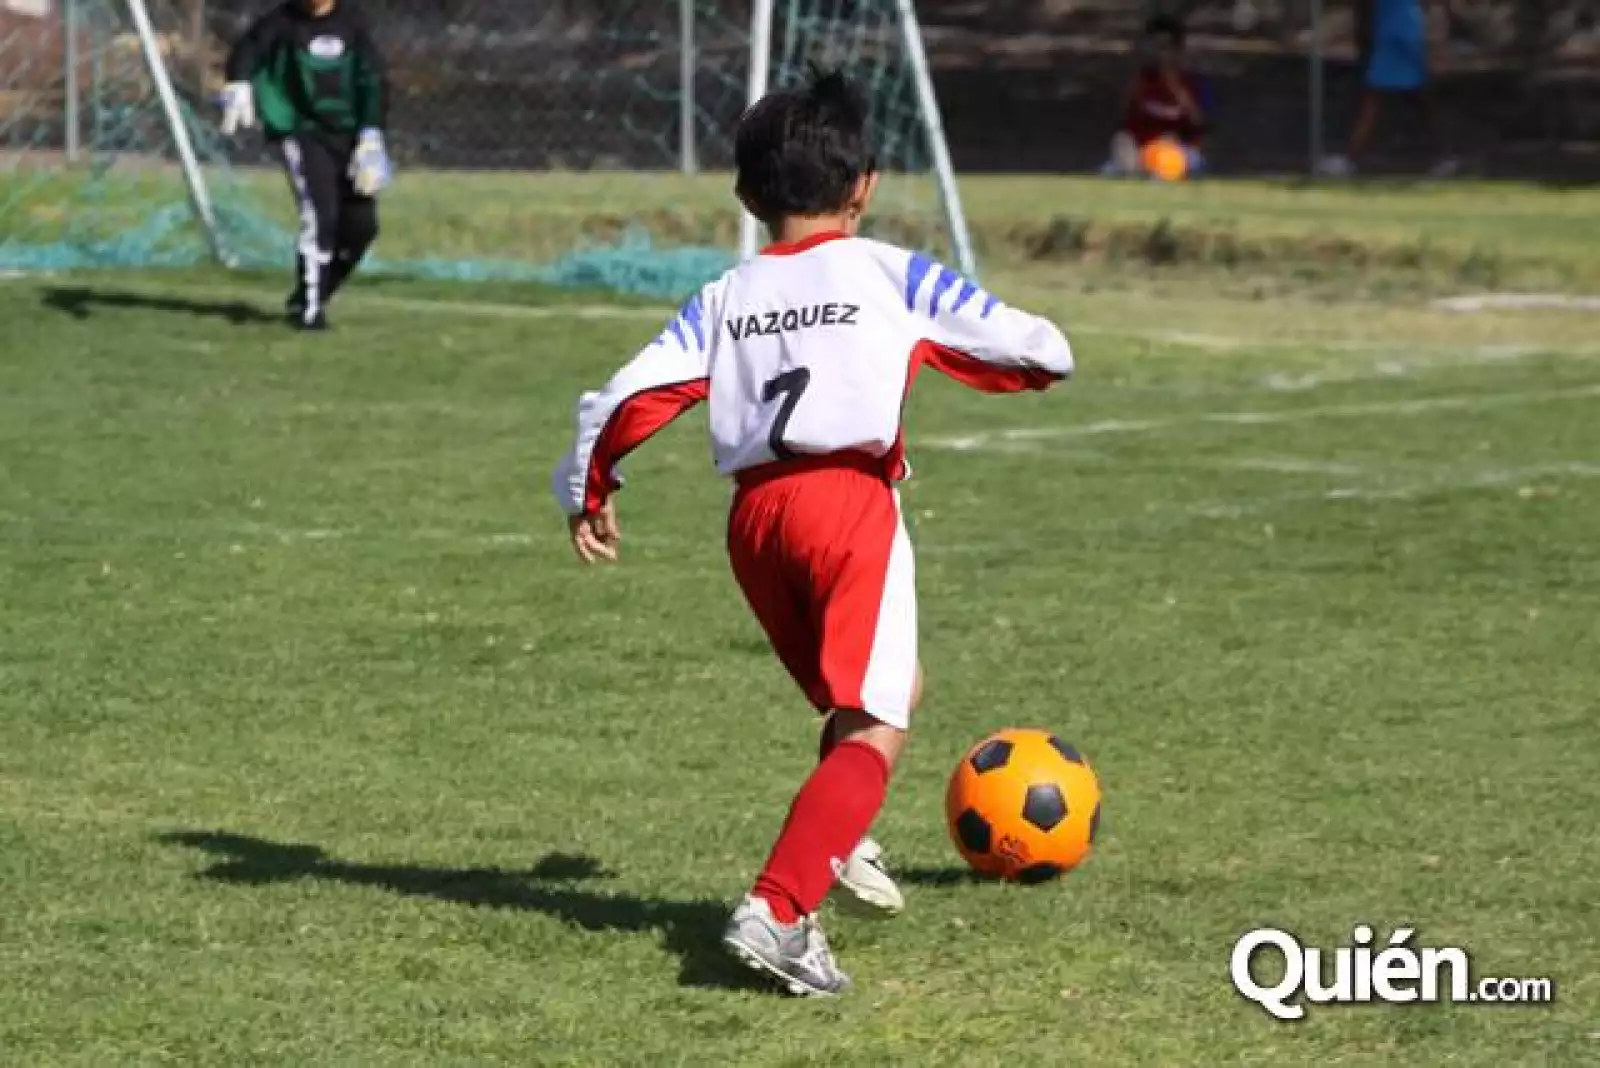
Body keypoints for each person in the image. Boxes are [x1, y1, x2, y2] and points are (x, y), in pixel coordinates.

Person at [550, 69, 1074, 997]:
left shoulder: (727, 293)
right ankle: (781, 909)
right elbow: (1034, 347)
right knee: (874, 721)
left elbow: (627, 394)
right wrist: (1011, 352)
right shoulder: (889, 271)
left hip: (756, 524)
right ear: (865, 185)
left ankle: (836, 838)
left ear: (748, 197)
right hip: (847, 507)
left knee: (885, 687)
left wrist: (589, 486)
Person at [220, 0, 393, 330]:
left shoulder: (354, 23)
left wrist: (372, 135)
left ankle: (312, 291)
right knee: (320, 213)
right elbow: (248, 50)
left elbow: (372, 78)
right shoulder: (281, 22)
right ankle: (310, 311)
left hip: (349, 134)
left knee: (361, 227)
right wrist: (238, 82)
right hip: (302, 131)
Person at [1319, 0, 1458, 176]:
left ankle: (1349, 159)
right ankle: (1445, 156)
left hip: (1398, 37)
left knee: (1383, 100)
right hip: (1393, 36)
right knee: (1416, 103)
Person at [1103, 15, 1211, 178]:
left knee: (1167, 158)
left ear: (1177, 50)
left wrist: (1175, 86)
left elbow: (1201, 125)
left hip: (1178, 150)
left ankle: (1144, 171)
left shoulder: (1194, 83)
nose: (1158, 54)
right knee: (1119, 149)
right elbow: (1124, 120)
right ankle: (1134, 170)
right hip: (1141, 148)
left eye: (1164, 47)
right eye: (1153, 47)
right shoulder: (1142, 81)